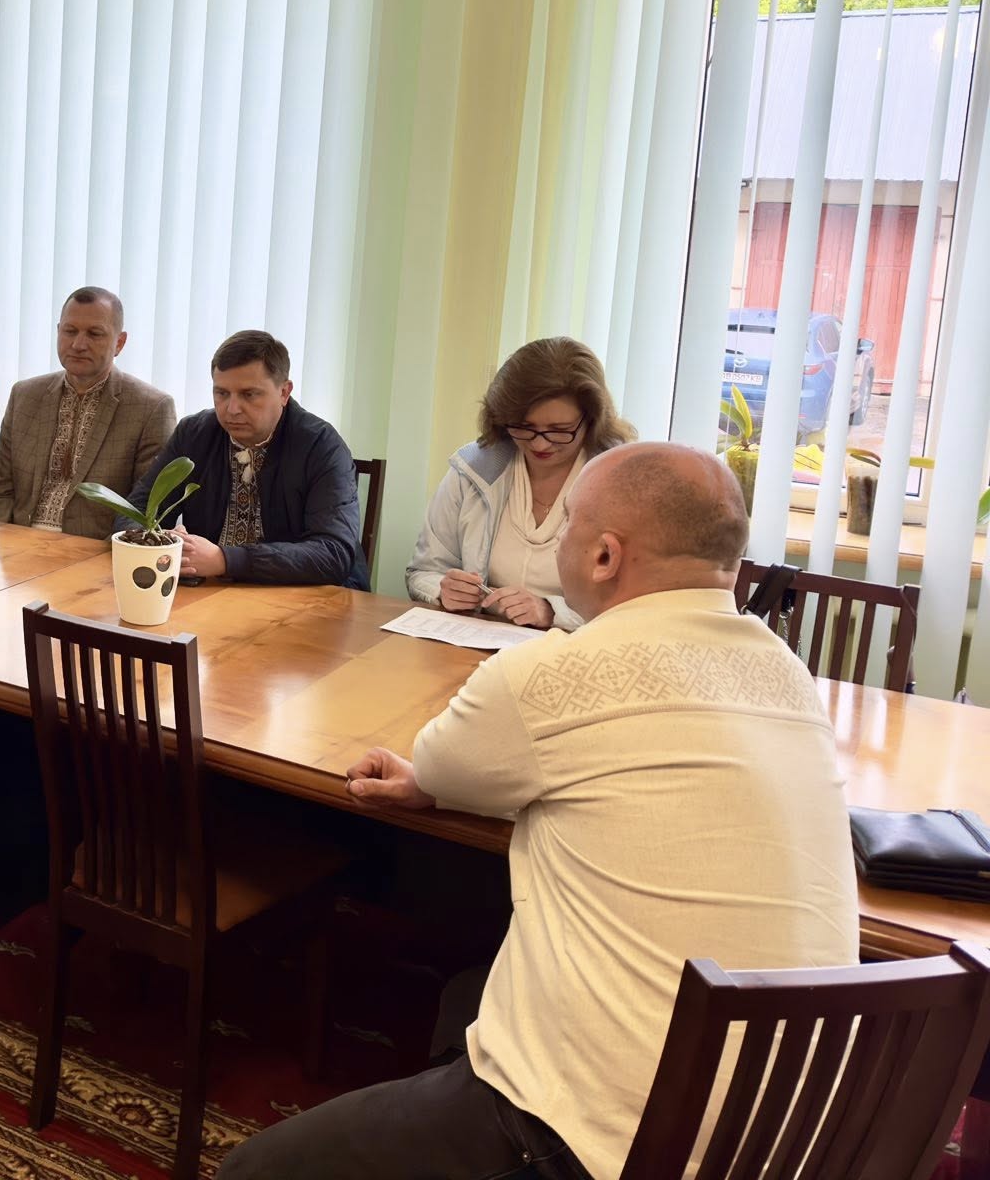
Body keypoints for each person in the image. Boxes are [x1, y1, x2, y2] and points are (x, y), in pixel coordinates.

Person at [218, 444, 859, 1180]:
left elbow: (441, 766)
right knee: (470, 995)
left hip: (613, 1142)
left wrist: (428, 779)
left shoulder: (555, 671)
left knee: (252, 1173)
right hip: (797, 1136)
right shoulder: (791, 676)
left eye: (568, 526)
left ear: (605, 556)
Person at [406, 337, 634, 631]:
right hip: (477, 641)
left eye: (560, 430)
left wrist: (552, 612)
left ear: (591, 420)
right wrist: (443, 590)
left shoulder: (621, 482)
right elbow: (423, 571)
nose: (540, 444)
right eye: (525, 427)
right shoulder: (474, 469)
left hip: (577, 648)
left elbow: (636, 606)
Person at [127, 330, 359, 585]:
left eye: (249, 394)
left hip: (300, 595)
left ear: (284, 392)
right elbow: (137, 509)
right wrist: (162, 540)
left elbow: (333, 553)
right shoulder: (193, 433)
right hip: (208, 591)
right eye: (222, 393)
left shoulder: (321, 445)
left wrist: (224, 560)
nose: (232, 409)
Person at [0, 287, 175, 536]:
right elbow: (0, 494)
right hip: (20, 543)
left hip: (98, 550)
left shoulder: (151, 408)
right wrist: (7, 543)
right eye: (70, 331)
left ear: (119, 342)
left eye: (94, 334)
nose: (78, 344)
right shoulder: (25, 396)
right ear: (58, 331)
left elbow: (146, 512)